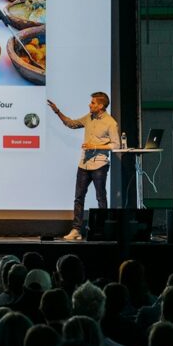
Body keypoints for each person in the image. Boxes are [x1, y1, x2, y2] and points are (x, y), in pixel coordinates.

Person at [47, 92, 120, 241]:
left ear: (100, 106)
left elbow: (116, 145)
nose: (89, 104)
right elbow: (71, 124)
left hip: (99, 165)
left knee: (101, 198)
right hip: (84, 164)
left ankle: (102, 230)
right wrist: (57, 112)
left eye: (92, 103)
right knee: (78, 198)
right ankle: (76, 230)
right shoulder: (89, 117)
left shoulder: (111, 123)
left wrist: (94, 145)